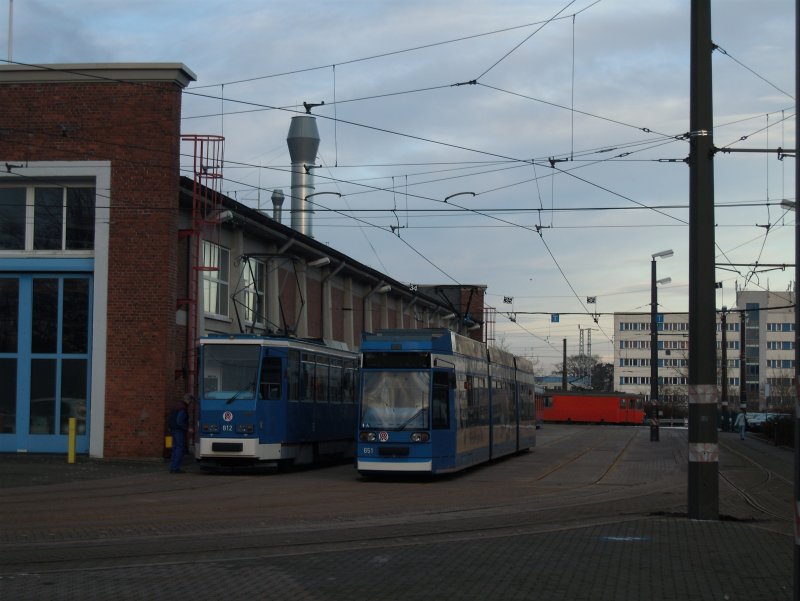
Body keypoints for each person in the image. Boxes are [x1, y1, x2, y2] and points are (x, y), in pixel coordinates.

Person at [169, 394, 193, 473]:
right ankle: (176, 468)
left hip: (173, 429)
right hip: (179, 430)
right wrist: (187, 428)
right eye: (190, 401)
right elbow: (179, 421)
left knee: (175, 448)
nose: (190, 403)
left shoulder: (177, 405)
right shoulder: (183, 408)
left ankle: (173, 467)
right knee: (179, 448)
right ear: (188, 400)